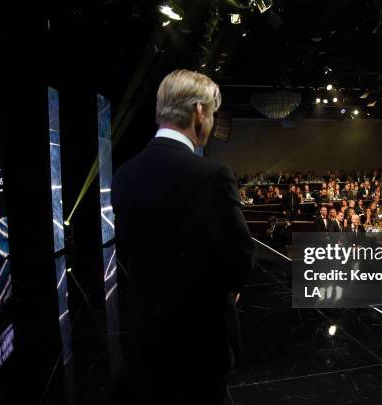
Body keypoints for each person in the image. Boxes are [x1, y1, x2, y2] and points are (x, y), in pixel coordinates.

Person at [111, 69, 254, 405]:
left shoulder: (124, 173)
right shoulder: (213, 175)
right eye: (213, 113)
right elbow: (240, 259)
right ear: (199, 112)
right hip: (202, 341)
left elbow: (129, 252)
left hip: (146, 336)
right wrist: (227, 290)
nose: (213, 121)